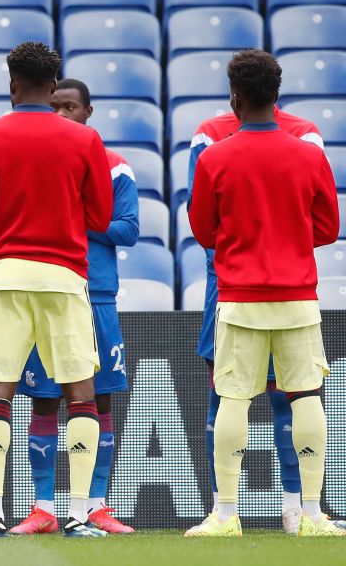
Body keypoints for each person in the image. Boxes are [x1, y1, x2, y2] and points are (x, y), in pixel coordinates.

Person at [183, 61, 343, 537]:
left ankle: (226, 515)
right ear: (278, 95)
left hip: (239, 296)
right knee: (305, 397)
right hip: (297, 296)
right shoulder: (309, 155)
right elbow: (328, 229)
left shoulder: (215, 157)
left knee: (232, 399)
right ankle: (312, 515)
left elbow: (203, 230)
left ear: (234, 98)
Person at [0, 42, 113, 539]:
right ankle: (78, 514)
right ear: (53, 89)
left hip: (7, 274)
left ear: (12, 85)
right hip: (64, 276)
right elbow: (101, 217)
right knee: (80, 391)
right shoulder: (83, 139)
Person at [12, 78, 138, 536]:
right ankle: (42, 507)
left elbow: (127, 228)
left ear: (88, 111)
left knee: (98, 399)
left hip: (96, 294)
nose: (63, 114)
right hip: (46, 291)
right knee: (44, 401)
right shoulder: (38, 161)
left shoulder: (115, 166)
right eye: (56, 106)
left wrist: (78, 210)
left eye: (72, 107)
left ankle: (93, 506)